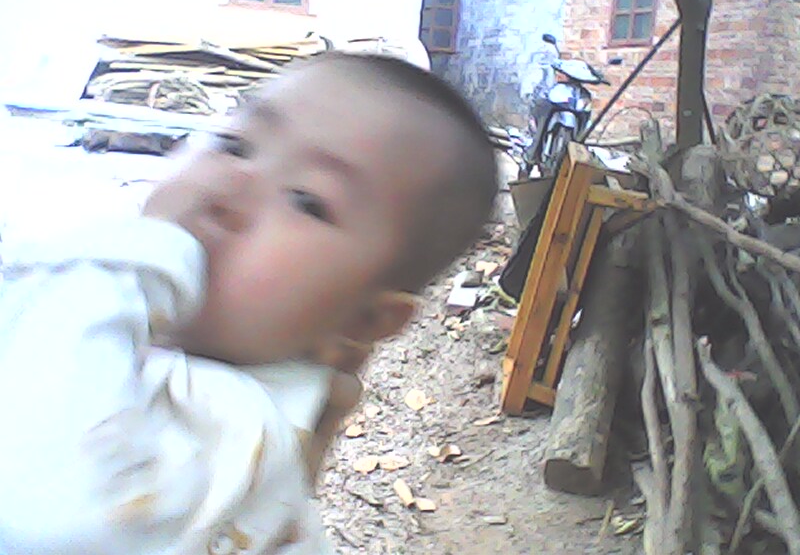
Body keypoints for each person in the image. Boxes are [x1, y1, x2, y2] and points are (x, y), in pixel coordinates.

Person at [0, 52, 497, 554]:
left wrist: (126, 259)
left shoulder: (226, 426)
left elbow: (41, 509)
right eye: (234, 145)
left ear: (364, 318)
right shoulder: (136, 338)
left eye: (307, 201)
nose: (228, 187)